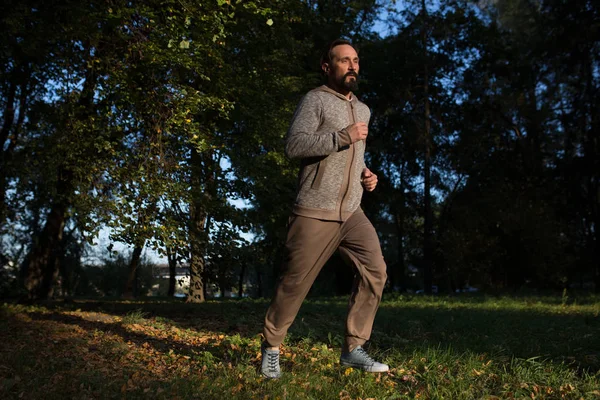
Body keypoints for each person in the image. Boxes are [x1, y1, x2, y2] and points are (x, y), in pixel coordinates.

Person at [261, 39, 389, 379]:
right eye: (344, 60)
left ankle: (353, 349)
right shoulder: (314, 100)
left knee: (375, 270)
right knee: (294, 283)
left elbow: (352, 157)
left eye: (356, 60)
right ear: (326, 66)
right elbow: (295, 145)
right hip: (314, 208)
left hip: (351, 211)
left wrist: (366, 172)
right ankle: (271, 347)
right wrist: (341, 137)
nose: (352, 66)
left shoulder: (363, 109)